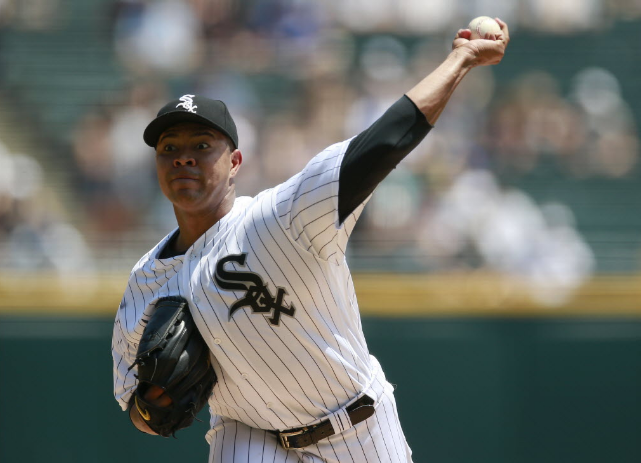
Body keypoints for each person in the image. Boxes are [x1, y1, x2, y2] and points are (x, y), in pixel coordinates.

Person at [112, 21, 510, 463]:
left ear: (236, 162)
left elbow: (384, 141)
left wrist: (460, 60)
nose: (183, 156)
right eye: (169, 148)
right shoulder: (146, 280)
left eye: (202, 145)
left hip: (357, 425)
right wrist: (154, 407)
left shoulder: (283, 217)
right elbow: (134, 403)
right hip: (249, 434)